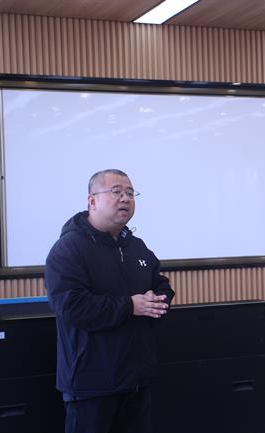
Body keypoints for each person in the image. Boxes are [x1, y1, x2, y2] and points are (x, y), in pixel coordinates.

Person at [45, 169, 175, 433]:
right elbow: (72, 307)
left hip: (136, 379)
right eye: (116, 192)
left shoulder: (136, 246)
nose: (125, 198)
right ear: (92, 201)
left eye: (130, 193)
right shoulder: (69, 248)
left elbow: (161, 285)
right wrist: (131, 306)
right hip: (91, 384)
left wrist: (156, 301)